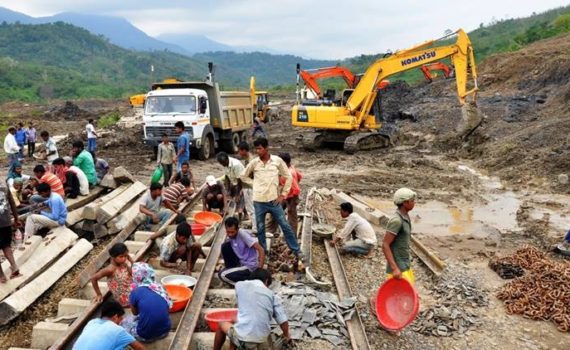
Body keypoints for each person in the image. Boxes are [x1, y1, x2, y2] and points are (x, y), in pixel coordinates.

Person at [240, 138, 302, 260]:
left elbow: (288, 176)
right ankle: (264, 252)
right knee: (261, 228)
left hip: (273, 201)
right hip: (258, 201)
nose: (258, 151)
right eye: (256, 149)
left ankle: (296, 250)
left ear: (266, 148)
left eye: (260, 148)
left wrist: (283, 195)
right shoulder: (254, 163)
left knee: (285, 225)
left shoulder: (277, 161)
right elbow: (243, 176)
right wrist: (254, 183)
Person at [213, 269, 290, 350]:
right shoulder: (272, 296)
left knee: (222, 324)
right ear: (266, 281)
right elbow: (283, 320)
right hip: (262, 340)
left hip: (244, 338)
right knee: (236, 329)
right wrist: (286, 335)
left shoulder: (239, 285)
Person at [122, 262, 172, 342]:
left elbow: (135, 313)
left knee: (125, 322)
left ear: (136, 276)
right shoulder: (159, 288)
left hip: (145, 335)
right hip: (165, 331)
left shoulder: (135, 292)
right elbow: (167, 307)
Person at [73, 300, 146, 350]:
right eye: (120, 319)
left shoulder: (92, 322)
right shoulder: (117, 330)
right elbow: (139, 348)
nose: (120, 323)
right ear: (115, 317)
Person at [383, 188, 417, 284]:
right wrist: (394, 269)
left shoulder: (405, 216)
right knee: (402, 294)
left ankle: (374, 299)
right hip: (398, 266)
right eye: (412, 201)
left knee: (408, 292)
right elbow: (385, 245)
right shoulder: (397, 220)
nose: (414, 203)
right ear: (405, 203)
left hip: (404, 263)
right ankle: (373, 299)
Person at [219, 217, 265, 286]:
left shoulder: (243, 235)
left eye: (232, 232)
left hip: (249, 266)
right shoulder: (230, 236)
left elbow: (261, 249)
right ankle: (233, 271)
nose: (230, 234)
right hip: (241, 263)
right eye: (228, 232)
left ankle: (245, 284)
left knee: (222, 275)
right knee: (225, 246)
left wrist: (259, 269)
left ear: (237, 229)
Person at [90, 243, 134, 307]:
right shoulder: (110, 269)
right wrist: (99, 294)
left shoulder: (123, 263)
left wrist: (130, 260)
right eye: (121, 256)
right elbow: (93, 278)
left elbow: (133, 273)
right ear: (113, 257)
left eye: (125, 256)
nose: (124, 258)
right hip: (125, 298)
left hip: (131, 289)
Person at [0, 176, 24, 283]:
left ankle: (1, 276)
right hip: (6, 222)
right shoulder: (3, 183)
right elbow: (12, 202)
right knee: (6, 245)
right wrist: (16, 218)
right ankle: (14, 268)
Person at [278, 152, 302, 234]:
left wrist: (290, 201)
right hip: (287, 194)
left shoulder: (288, 174)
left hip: (291, 196)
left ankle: (292, 236)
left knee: (291, 216)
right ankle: (273, 230)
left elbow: (295, 189)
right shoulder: (291, 168)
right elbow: (299, 176)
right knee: (276, 210)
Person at [238, 142, 256, 229]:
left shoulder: (250, 161)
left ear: (244, 150)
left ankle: (255, 227)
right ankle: (254, 223)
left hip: (250, 187)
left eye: (240, 151)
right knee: (251, 208)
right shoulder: (248, 159)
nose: (239, 153)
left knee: (251, 208)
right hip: (248, 186)